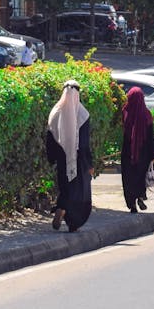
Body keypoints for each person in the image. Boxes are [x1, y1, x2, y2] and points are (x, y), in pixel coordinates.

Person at [46, 80, 93, 232]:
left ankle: (61, 207)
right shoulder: (83, 114)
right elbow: (85, 144)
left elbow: (50, 138)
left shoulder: (55, 112)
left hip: (62, 158)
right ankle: (73, 222)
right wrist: (89, 164)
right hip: (78, 161)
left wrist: (51, 157)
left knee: (65, 187)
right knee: (78, 192)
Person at [120, 86, 154, 214]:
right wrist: (153, 155)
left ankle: (132, 204)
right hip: (143, 152)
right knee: (140, 176)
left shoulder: (125, 111)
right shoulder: (147, 114)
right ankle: (140, 196)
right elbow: (151, 137)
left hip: (127, 152)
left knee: (128, 178)